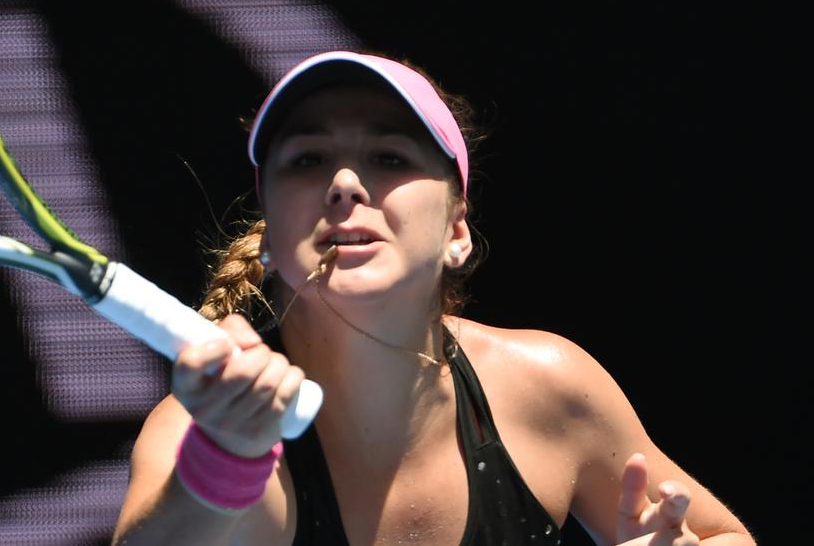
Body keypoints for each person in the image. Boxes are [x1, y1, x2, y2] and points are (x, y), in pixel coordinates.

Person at [111, 51, 755, 545]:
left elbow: (727, 538)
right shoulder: (200, 432)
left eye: (390, 157)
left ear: (456, 230)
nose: (344, 182)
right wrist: (226, 458)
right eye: (307, 159)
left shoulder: (549, 388)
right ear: (271, 235)